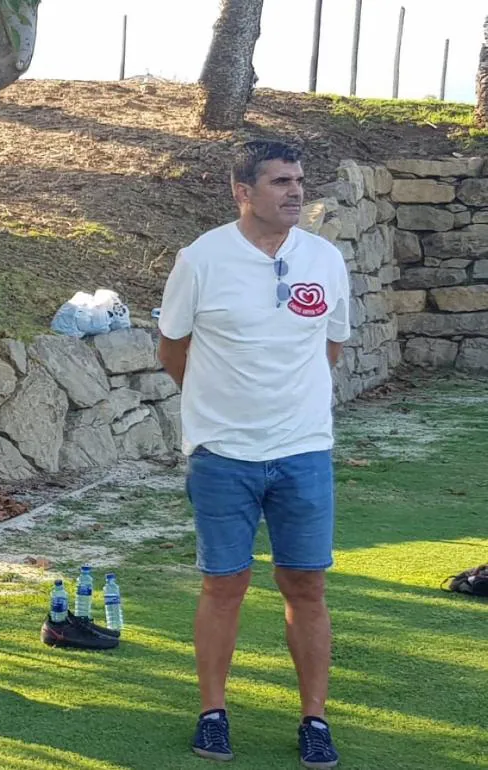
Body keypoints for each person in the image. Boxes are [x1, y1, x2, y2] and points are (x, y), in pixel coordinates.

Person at [157, 139, 351, 770]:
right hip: (223, 456)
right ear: (243, 192)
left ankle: (314, 720)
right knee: (223, 585)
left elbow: (331, 347)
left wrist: (293, 409)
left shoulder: (324, 259)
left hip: (304, 452)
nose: (295, 191)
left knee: (307, 585)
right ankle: (213, 715)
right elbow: (173, 350)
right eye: (278, 182)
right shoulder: (201, 258)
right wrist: (220, 412)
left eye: (299, 180)